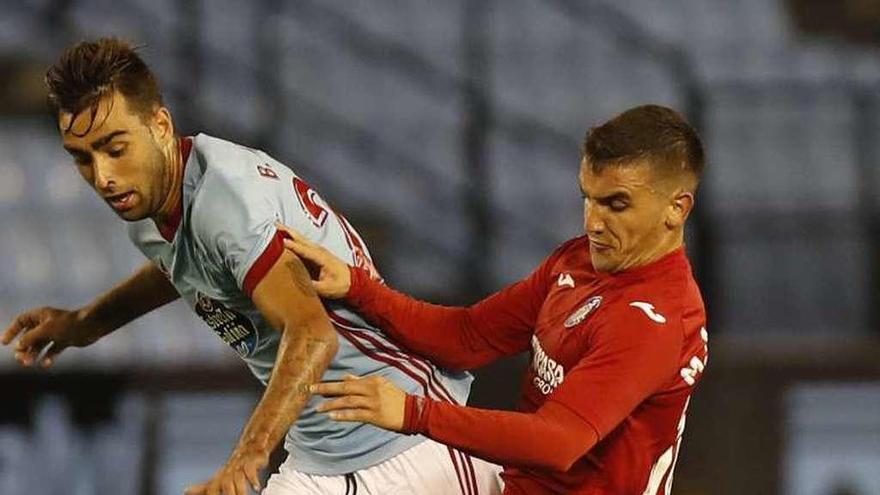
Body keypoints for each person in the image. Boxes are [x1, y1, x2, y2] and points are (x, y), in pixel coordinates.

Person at [0, 38, 501, 495]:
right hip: (321, 456)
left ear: (160, 125)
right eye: (82, 158)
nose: (104, 177)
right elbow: (185, 266)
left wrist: (247, 456)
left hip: (410, 438)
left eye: (115, 148)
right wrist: (84, 324)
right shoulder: (154, 206)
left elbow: (312, 335)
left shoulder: (226, 204)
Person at [279, 104, 710, 494]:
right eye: (588, 199)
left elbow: (558, 441)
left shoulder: (655, 319)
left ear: (677, 208)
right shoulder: (577, 262)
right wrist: (358, 288)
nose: (593, 222)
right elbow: (467, 336)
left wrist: (413, 413)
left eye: (616, 204)